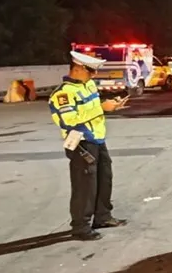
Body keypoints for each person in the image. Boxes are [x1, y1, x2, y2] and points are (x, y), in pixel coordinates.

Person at [49, 51, 128, 240]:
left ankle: (102, 216)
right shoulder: (63, 94)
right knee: (84, 186)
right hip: (81, 143)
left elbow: (92, 108)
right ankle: (80, 227)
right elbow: (69, 120)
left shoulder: (89, 85)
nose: (93, 75)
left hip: (98, 139)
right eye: (90, 71)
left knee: (104, 179)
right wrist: (100, 108)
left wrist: (110, 105)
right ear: (77, 68)